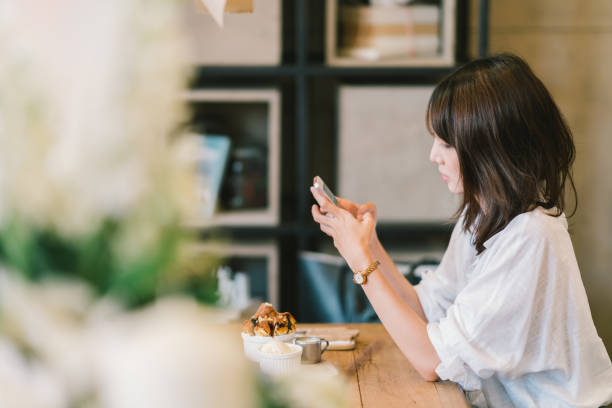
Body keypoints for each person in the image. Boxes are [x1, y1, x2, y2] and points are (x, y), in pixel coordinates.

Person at [310, 53, 612, 407]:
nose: (433, 155)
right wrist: (370, 244)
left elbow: (431, 361)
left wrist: (359, 260)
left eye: (446, 144)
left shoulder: (531, 236)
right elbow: (427, 310)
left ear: (488, 147)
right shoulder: (482, 214)